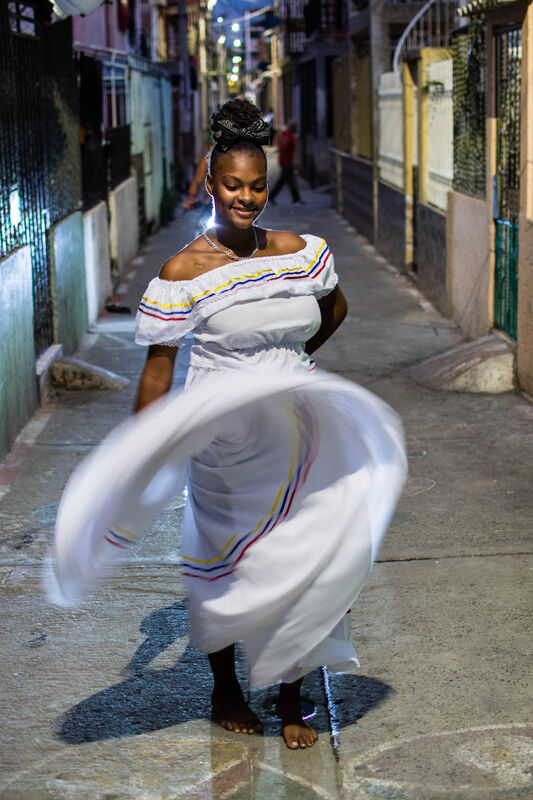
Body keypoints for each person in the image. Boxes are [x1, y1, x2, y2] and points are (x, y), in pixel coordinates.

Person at [49, 99, 406, 753]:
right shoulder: (183, 272)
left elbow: (334, 310)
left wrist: (290, 371)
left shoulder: (302, 252)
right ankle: (226, 688)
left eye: (256, 186)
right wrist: (142, 448)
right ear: (210, 184)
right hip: (224, 445)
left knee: (305, 563)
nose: (246, 198)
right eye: (233, 186)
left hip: (300, 433)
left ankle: (292, 696)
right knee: (226, 566)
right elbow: (159, 370)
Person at [269, 120, 302, 205]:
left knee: (284, 181)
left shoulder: (286, 135)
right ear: (291, 127)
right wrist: (286, 162)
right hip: (287, 162)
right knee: (290, 181)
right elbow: (283, 149)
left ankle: (271, 197)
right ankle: (296, 199)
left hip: (286, 162)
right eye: (295, 126)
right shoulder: (287, 136)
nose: (297, 128)